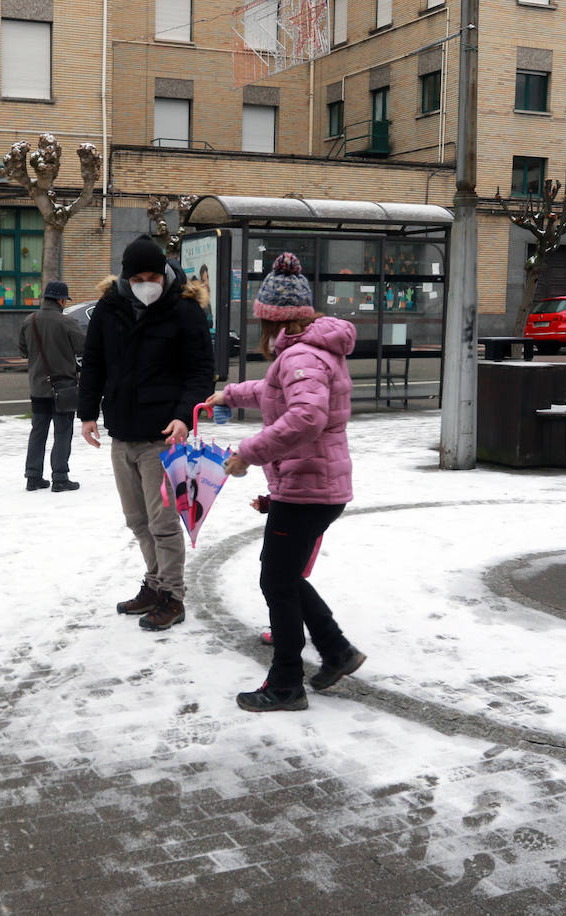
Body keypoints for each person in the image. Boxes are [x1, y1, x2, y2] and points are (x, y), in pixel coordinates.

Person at [205, 252, 363, 712]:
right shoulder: (307, 352)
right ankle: (336, 650)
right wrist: (230, 395)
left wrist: (248, 453)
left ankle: (287, 683)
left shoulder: (301, 355)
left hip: (307, 486)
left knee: (277, 581)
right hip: (314, 484)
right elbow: (274, 391)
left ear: (272, 319)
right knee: (284, 576)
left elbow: (306, 415)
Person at [78, 235, 214, 631]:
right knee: (137, 520)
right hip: (122, 432)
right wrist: (87, 413)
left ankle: (172, 596)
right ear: (126, 278)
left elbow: (200, 372)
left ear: (164, 273)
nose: (146, 285)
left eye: (152, 277)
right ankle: (155, 584)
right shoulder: (110, 307)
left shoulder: (184, 309)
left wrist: (184, 418)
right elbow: (94, 362)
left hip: (163, 436)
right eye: (138, 279)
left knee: (163, 523)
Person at [19, 280, 87, 492]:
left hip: (38, 387)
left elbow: (23, 351)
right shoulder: (67, 322)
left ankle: (33, 477)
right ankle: (60, 478)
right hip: (63, 386)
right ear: (61, 300)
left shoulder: (29, 321)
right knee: (63, 432)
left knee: (38, 431)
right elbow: (83, 348)